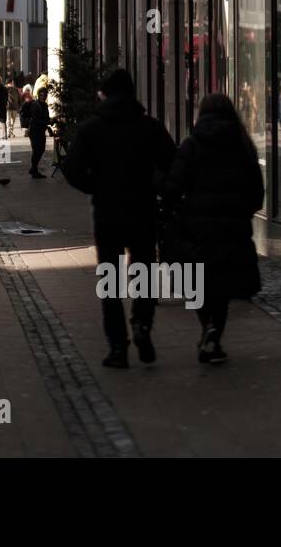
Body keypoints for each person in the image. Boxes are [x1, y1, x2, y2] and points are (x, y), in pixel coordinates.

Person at [64, 69, 177, 369]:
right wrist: (156, 187)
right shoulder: (149, 128)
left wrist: (94, 187)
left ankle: (117, 347)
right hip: (142, 210)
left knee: (111, 282)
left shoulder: (91, 129)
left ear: (105, 94)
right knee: (143, 272)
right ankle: (142, 323)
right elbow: (172, 164)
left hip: (107, 213)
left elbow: (72, 169)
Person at [162, 93, 264, 364]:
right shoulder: (243, 146)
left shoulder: (192, 145)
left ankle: (207, 326)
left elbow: (173, 188)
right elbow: (256, 193)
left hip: (196, 229)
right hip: (232, 229)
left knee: (199, 282)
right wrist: (241, 212)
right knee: (222, 285)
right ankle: (214, 332)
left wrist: (176, 211)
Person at [21, 86, 51, 178]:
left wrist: (49, 121)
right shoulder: (35, 105)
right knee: (37, 150)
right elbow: (35, 119)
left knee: (41, 149)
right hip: (34, 131)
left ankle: (34, 169)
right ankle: (34, 170)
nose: (43, 96)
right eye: (41, 95)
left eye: (45, 95)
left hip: (41, 130)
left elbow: (46, 117)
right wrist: (46, 122)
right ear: (38, 95)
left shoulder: (45, 105)